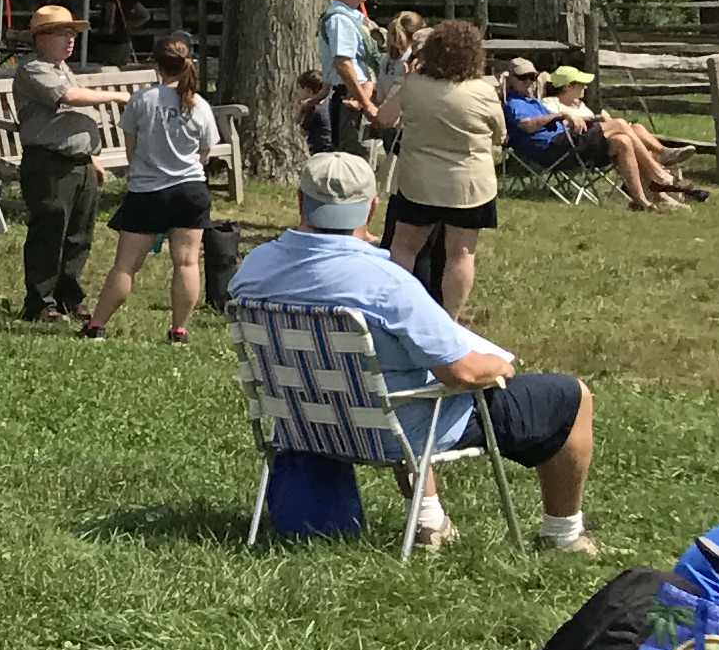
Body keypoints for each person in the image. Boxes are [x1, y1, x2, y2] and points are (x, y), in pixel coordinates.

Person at [231, 150, 601, 554]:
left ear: (301, 201)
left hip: (301, 423)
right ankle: (564, 536)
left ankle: (429, 523)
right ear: (372, 208)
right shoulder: (386, 283)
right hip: (390, 431)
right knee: (571, 397)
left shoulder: (255, 268)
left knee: (398, 373)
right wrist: (499, 366)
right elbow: (460, 371)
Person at [86, 36, 225, 342]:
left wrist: (144, 173)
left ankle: (96, 325)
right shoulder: (200, 105)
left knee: (125, 265)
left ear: (158, 66)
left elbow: (131, 150)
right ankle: (179, 330)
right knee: (187, 262)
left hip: (148, 191)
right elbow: (205, 155)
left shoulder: (143, 100)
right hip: (191, 190)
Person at [374, 15, 503, 313]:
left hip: (418, 182)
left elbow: (384, 118)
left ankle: (396, 311)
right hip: (469, 187)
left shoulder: (413, 86)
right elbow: (499, 135)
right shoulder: (483, 92)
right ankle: (450, 319)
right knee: (460, 253)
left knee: (404, 247)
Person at [10, 3, 101, 325]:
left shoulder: (62, 67)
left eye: (72, 33)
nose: (71, 40)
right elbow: (69, 98)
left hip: (80, 164)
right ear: (42, 38)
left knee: (79, 234)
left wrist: (91, 159)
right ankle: (40, 302)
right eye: (64, 33)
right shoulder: (34, 68)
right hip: (48, 163)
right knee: (50, 230)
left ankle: (69, 297)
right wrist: (116, 97)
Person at [508, 64, 705, 207]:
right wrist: (563, 114)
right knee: (619, 124)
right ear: (511, 80)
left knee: (623, 140)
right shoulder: (514, 103)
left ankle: (641, 200)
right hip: (554, 148)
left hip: (569, 143)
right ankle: (660, 175)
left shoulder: (535, 102)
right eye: (523, 78)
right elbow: (527, 126)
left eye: (532, 78)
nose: (529, 83)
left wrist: (589, 118)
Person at [310, 0, 381, 155]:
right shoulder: (339, 20)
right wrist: (366, 104)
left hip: (358, 94)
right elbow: (343, 63)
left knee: (362, 156)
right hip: (351, 98)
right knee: (352, 159)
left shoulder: (353, 18)